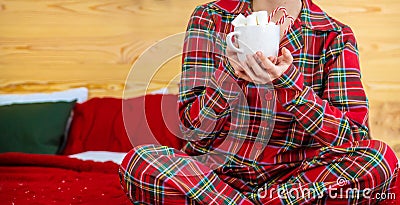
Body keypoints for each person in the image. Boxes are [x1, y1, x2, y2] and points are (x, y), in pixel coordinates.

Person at [119, 0, 399, 204]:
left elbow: (355, 139)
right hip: (217, 177)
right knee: (139, 163)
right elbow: (193, 133)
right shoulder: (210, 17)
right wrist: (230, 77)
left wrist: (289, 84)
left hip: (297, 180)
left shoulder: (334, 35)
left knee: (381, 160)